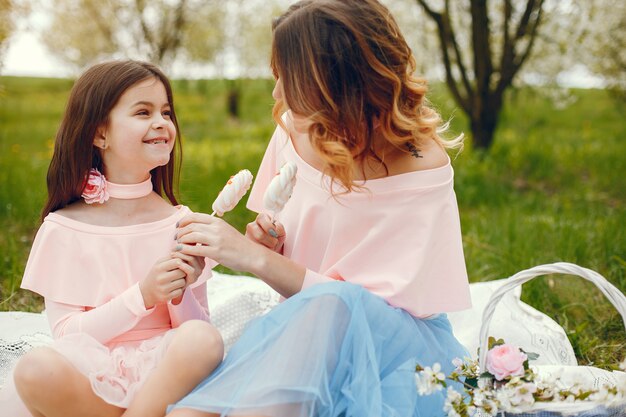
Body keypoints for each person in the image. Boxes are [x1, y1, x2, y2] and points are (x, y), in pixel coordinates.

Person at [167, 0, 472, 416]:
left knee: (332, 306)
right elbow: (294, 275)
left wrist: (253, 258)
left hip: (398, 347)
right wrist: (269, 246)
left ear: (333, 82)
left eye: (286, 79)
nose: (276, 94)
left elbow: (359, 310)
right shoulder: (295, 129)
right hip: (302, 329)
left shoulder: (423, 168)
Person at [1, 60, 224, 417]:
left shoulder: (181, 224)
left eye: (166, 112)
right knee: (35, 368)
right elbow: (68, 335)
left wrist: (180, 292)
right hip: (94, 380)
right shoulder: (66, 228)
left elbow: (196, 337)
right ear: (99, 134)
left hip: (166, 380)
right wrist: (143, 296)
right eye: (143, 111)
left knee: (204, 340)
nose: (161, 123)